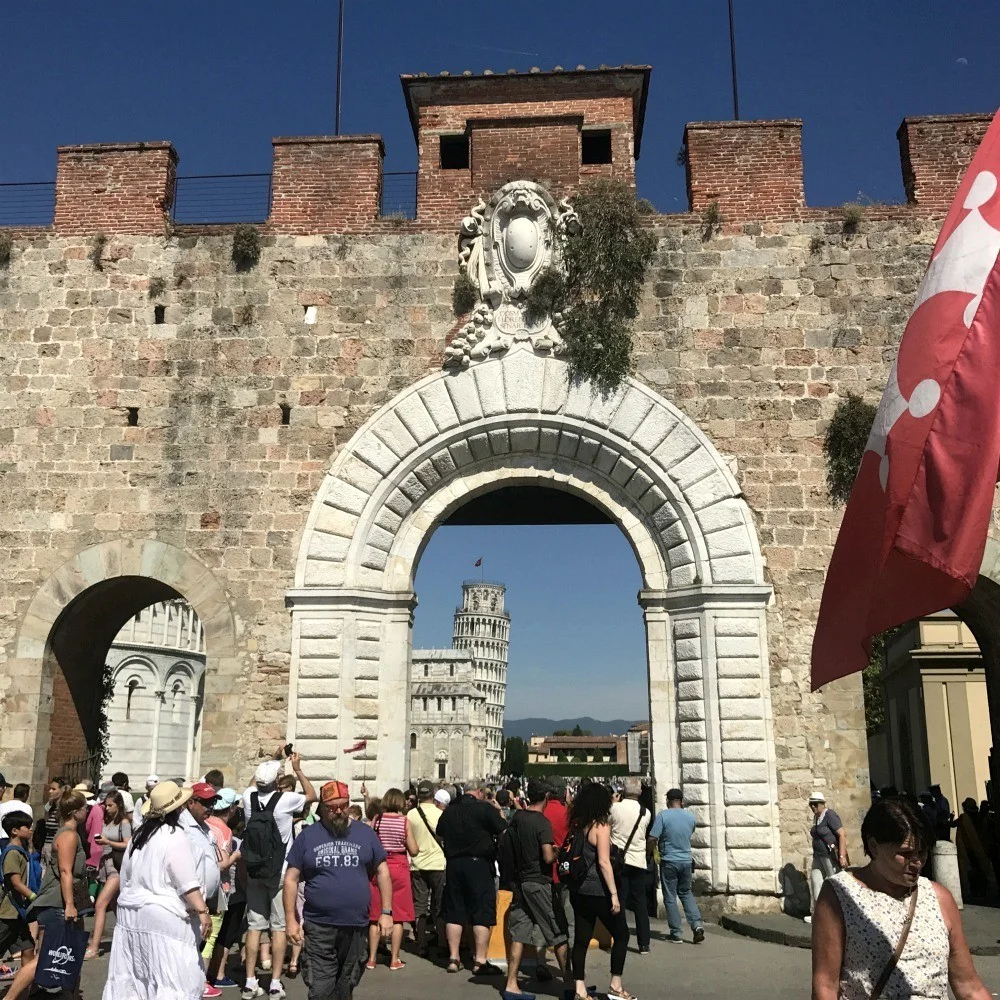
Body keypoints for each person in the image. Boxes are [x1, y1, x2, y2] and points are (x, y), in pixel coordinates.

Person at [812, 796, 990, 1000]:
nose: (917, 862)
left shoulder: (939, 898)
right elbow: (825, 986)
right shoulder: (840, 895)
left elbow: (968, 986)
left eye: (922, 852)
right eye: (905, 853)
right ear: (874, 845)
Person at [100, 781, 214, 999]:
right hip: (164, 916)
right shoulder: (174, 835)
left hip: (132, 914)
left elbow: (126, 876)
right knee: (173, 979)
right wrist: (202, 910)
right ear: (179, 808)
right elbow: (185, 880)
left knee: (138, 977)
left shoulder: (139, 836)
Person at [283, 780, 394, 1000]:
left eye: (343, 805)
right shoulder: (308, 836)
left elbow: (383, 872)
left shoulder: (365, 834)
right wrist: (290, 920)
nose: (339, 811)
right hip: (319, 925)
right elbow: (290, 879)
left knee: (346, 985)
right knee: (321, 989)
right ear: (323, 808)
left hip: (356, 925)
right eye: (333, 807)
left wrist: (386, 912)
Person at [241, 751, 317, 1000]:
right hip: (279, 873)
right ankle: (274, 982)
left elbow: (251, 785)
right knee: (279, 928)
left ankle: (250, 981)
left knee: (254, 927)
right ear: (276, 781)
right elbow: (312, 795)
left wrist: (270, 760)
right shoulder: (285, 800)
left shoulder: (248, 798)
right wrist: (297, 768)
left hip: (254, 871)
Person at [4, 789, 91, 1000]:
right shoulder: (68, 836)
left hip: (67, 903)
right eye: (84, 808)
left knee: (71, 952)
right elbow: (65, 871)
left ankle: (70, 996)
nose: (87, 811)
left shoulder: (69, 833)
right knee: (46, 957)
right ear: (75, 811)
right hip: (59, 904)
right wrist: (69, 904)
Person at [503, 779, 571, 1000]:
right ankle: (570, 985)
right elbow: (548, 856)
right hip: (539, 882)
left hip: (520, 881)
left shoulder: (518, 817)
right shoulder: (542, 823)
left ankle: (511, 985)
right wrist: (557, 851)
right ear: (547, 797)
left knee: (520, 933)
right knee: (558, 931)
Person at [566, 782, 634, 1000]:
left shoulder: (578, 824)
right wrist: (614, 894)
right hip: (599, 890)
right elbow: (604, 862)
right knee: (621, 934)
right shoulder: (600, 826)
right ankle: (616, 985)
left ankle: (579, 989)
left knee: (581, 940)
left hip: (579, 890)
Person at [437, 778, 507, 975]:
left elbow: (439, 834)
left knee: (454, 911)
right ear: (479, 792)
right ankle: (480, 960)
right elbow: (503, 829)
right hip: (479, 863)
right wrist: (499, 812)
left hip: (454, 863)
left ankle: (453, 958)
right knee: (481, 912)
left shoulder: (450, 810)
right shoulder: (485, 809)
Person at [180, 782, 225, 998]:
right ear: (191, 802)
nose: (210, 807)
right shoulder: (183, 827)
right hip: (190, 904)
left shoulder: (204, 827)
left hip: (206, 900)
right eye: (206, 802)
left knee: (197, 947)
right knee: (186, 951)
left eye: (213, 802)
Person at [365, 787, 418, 971]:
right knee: (398, 916)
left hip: (379, 866)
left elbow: (370, 842)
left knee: (375, 915)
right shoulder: (404, 822)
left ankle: (371, 958)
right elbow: (413, 850)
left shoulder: (377, 819)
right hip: (399, 867)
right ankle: (394, 959)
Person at [648, 788, 704, 944]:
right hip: (686, 860)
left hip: (669, 860)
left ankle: (676, 933)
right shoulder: (690, 817)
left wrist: (650, 852)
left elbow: (653, 838)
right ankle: (697, 925)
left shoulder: (663, 816)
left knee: (670, 896)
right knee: (686, 893)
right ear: (681, 801)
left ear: (668, 801)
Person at [84, 790, 132, 959]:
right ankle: (129, 939)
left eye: (110, 805)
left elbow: (128, 844)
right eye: (106, 805)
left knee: (100, 904)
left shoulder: (124, 822)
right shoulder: (106, 820)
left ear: (118, 805)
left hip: (116, 868)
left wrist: (108, 842)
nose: (107, 808)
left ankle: (94, 947)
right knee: (116, 906)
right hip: (104, 865)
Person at [610, 776, 652, 955]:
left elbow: (608, 824)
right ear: (640, 792)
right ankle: (644, 943)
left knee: (619, 899)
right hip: (638, 860)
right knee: (640, 902)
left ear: (623, 790)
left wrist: (613, 803)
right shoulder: (646, 812)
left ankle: (621, 937)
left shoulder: (615, 808)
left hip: (619, 860)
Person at [537, 779, 574, 983]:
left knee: (541, 917)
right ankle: (570, 963)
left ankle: (541, 962)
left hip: (542, 871)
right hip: (564, 872)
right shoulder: (568, 814)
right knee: (568, 918)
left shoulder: (539, 813)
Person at [409, 780, 446, 958]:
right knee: (439, 906)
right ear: (433, 795)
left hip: (418, 864)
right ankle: (441, 943)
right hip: (438, 864)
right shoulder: (441, 814)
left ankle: (421, 943)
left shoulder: (411, 815)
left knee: (420, 906)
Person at [0, 812, 35, 983]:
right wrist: (34, 897)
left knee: (28, 948)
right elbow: (16, 883)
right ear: (14, 831)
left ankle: (26, 987)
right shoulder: (12, 853)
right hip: (8, 912)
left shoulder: (22, 851)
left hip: (18, 912)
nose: (30, 830)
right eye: (27, 827)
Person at [806, 791, 849, 923]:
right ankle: (818, 916)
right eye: (811, 804)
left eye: (815, 804)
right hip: (818, 856)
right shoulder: (816, 818)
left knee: (834, 883)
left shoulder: (829, 815)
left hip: (829, 856)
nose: (813, 807)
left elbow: (842, 834)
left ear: (822, 804)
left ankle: (840, 916)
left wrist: (842, 855)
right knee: (816, 883)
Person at [41, 775, 70, 859]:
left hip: (58, 849)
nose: (50, 791)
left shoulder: (65, 808)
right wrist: (48, 806)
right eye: (50, 788)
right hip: (47, 847)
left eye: (54, 789)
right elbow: (46, 821)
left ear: (62, 790)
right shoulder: (51, 806)